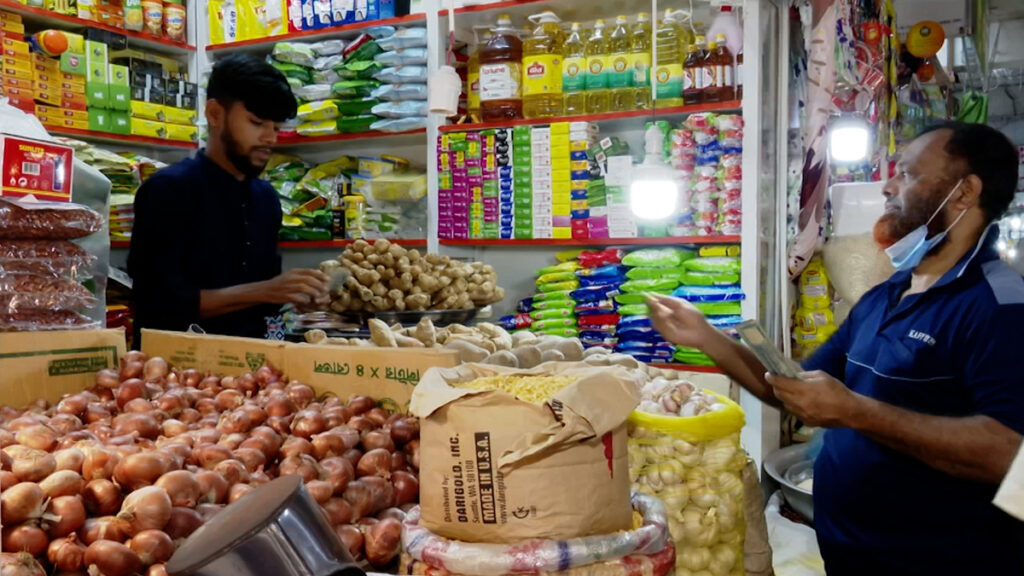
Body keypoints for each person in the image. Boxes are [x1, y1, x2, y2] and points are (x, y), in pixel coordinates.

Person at [649, 122, 1024, 575]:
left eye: (907, 174)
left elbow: (1008, 452)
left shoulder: (1000, 306)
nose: (888, 187)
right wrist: (706, 337)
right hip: (850, 551)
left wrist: (854, 411)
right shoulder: (885, 296)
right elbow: (793, 389)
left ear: (964, 193)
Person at [128, 54, 329, 345]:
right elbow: (157, 301)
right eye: (257, 122)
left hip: (256, 362)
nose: (270, 138)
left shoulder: (266, 198)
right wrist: (266, 290)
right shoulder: (167, 190)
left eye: (276, 128)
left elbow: (266, 306)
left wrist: (297, 298)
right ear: (215, 114)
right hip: (178, 364)